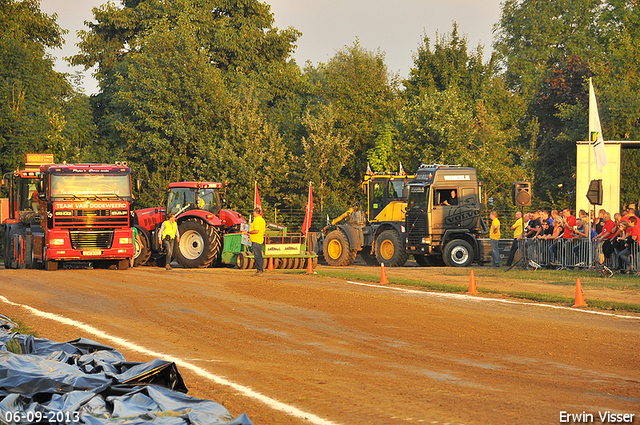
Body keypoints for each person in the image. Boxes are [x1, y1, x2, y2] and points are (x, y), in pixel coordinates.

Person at [244, 207, 266, 275]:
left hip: (256, 240)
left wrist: (248, 232)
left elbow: (256, 231)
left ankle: (259, 270)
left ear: (255, 212)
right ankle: (260, 270)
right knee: (259, 255)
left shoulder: (257, 220)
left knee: (257, 256)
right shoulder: (262, 220)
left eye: (253, 212)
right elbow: (263, 231)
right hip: (260, 239)